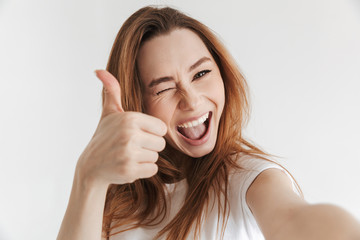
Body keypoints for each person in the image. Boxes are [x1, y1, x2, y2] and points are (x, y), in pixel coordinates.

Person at [57, 6, 360, 240]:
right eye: (163, 88)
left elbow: (294, 220)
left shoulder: (250, 179)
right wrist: (88, 177)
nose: (191, 100)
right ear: (138, 103)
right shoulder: (117, 201)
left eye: (201, 74)